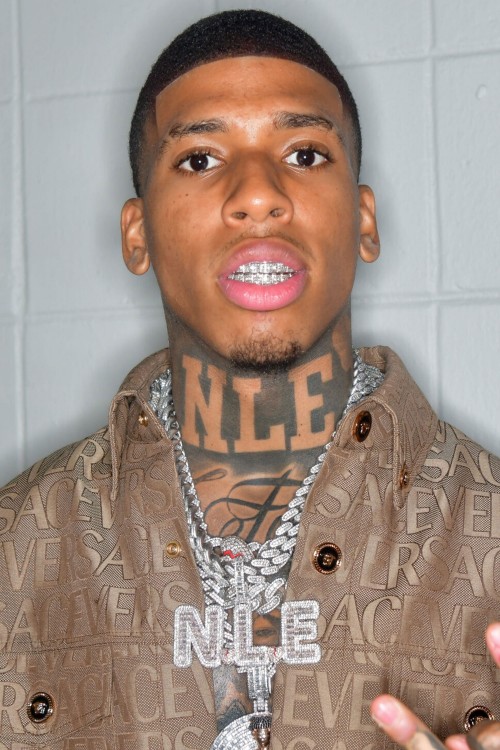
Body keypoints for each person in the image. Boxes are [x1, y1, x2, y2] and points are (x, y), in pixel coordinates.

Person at [0, 9, 499, 750]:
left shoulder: (491, 535)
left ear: (364, 220)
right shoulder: (16, 548)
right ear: (137, 235)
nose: (258, 193)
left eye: (304, 153)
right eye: (200, 159)